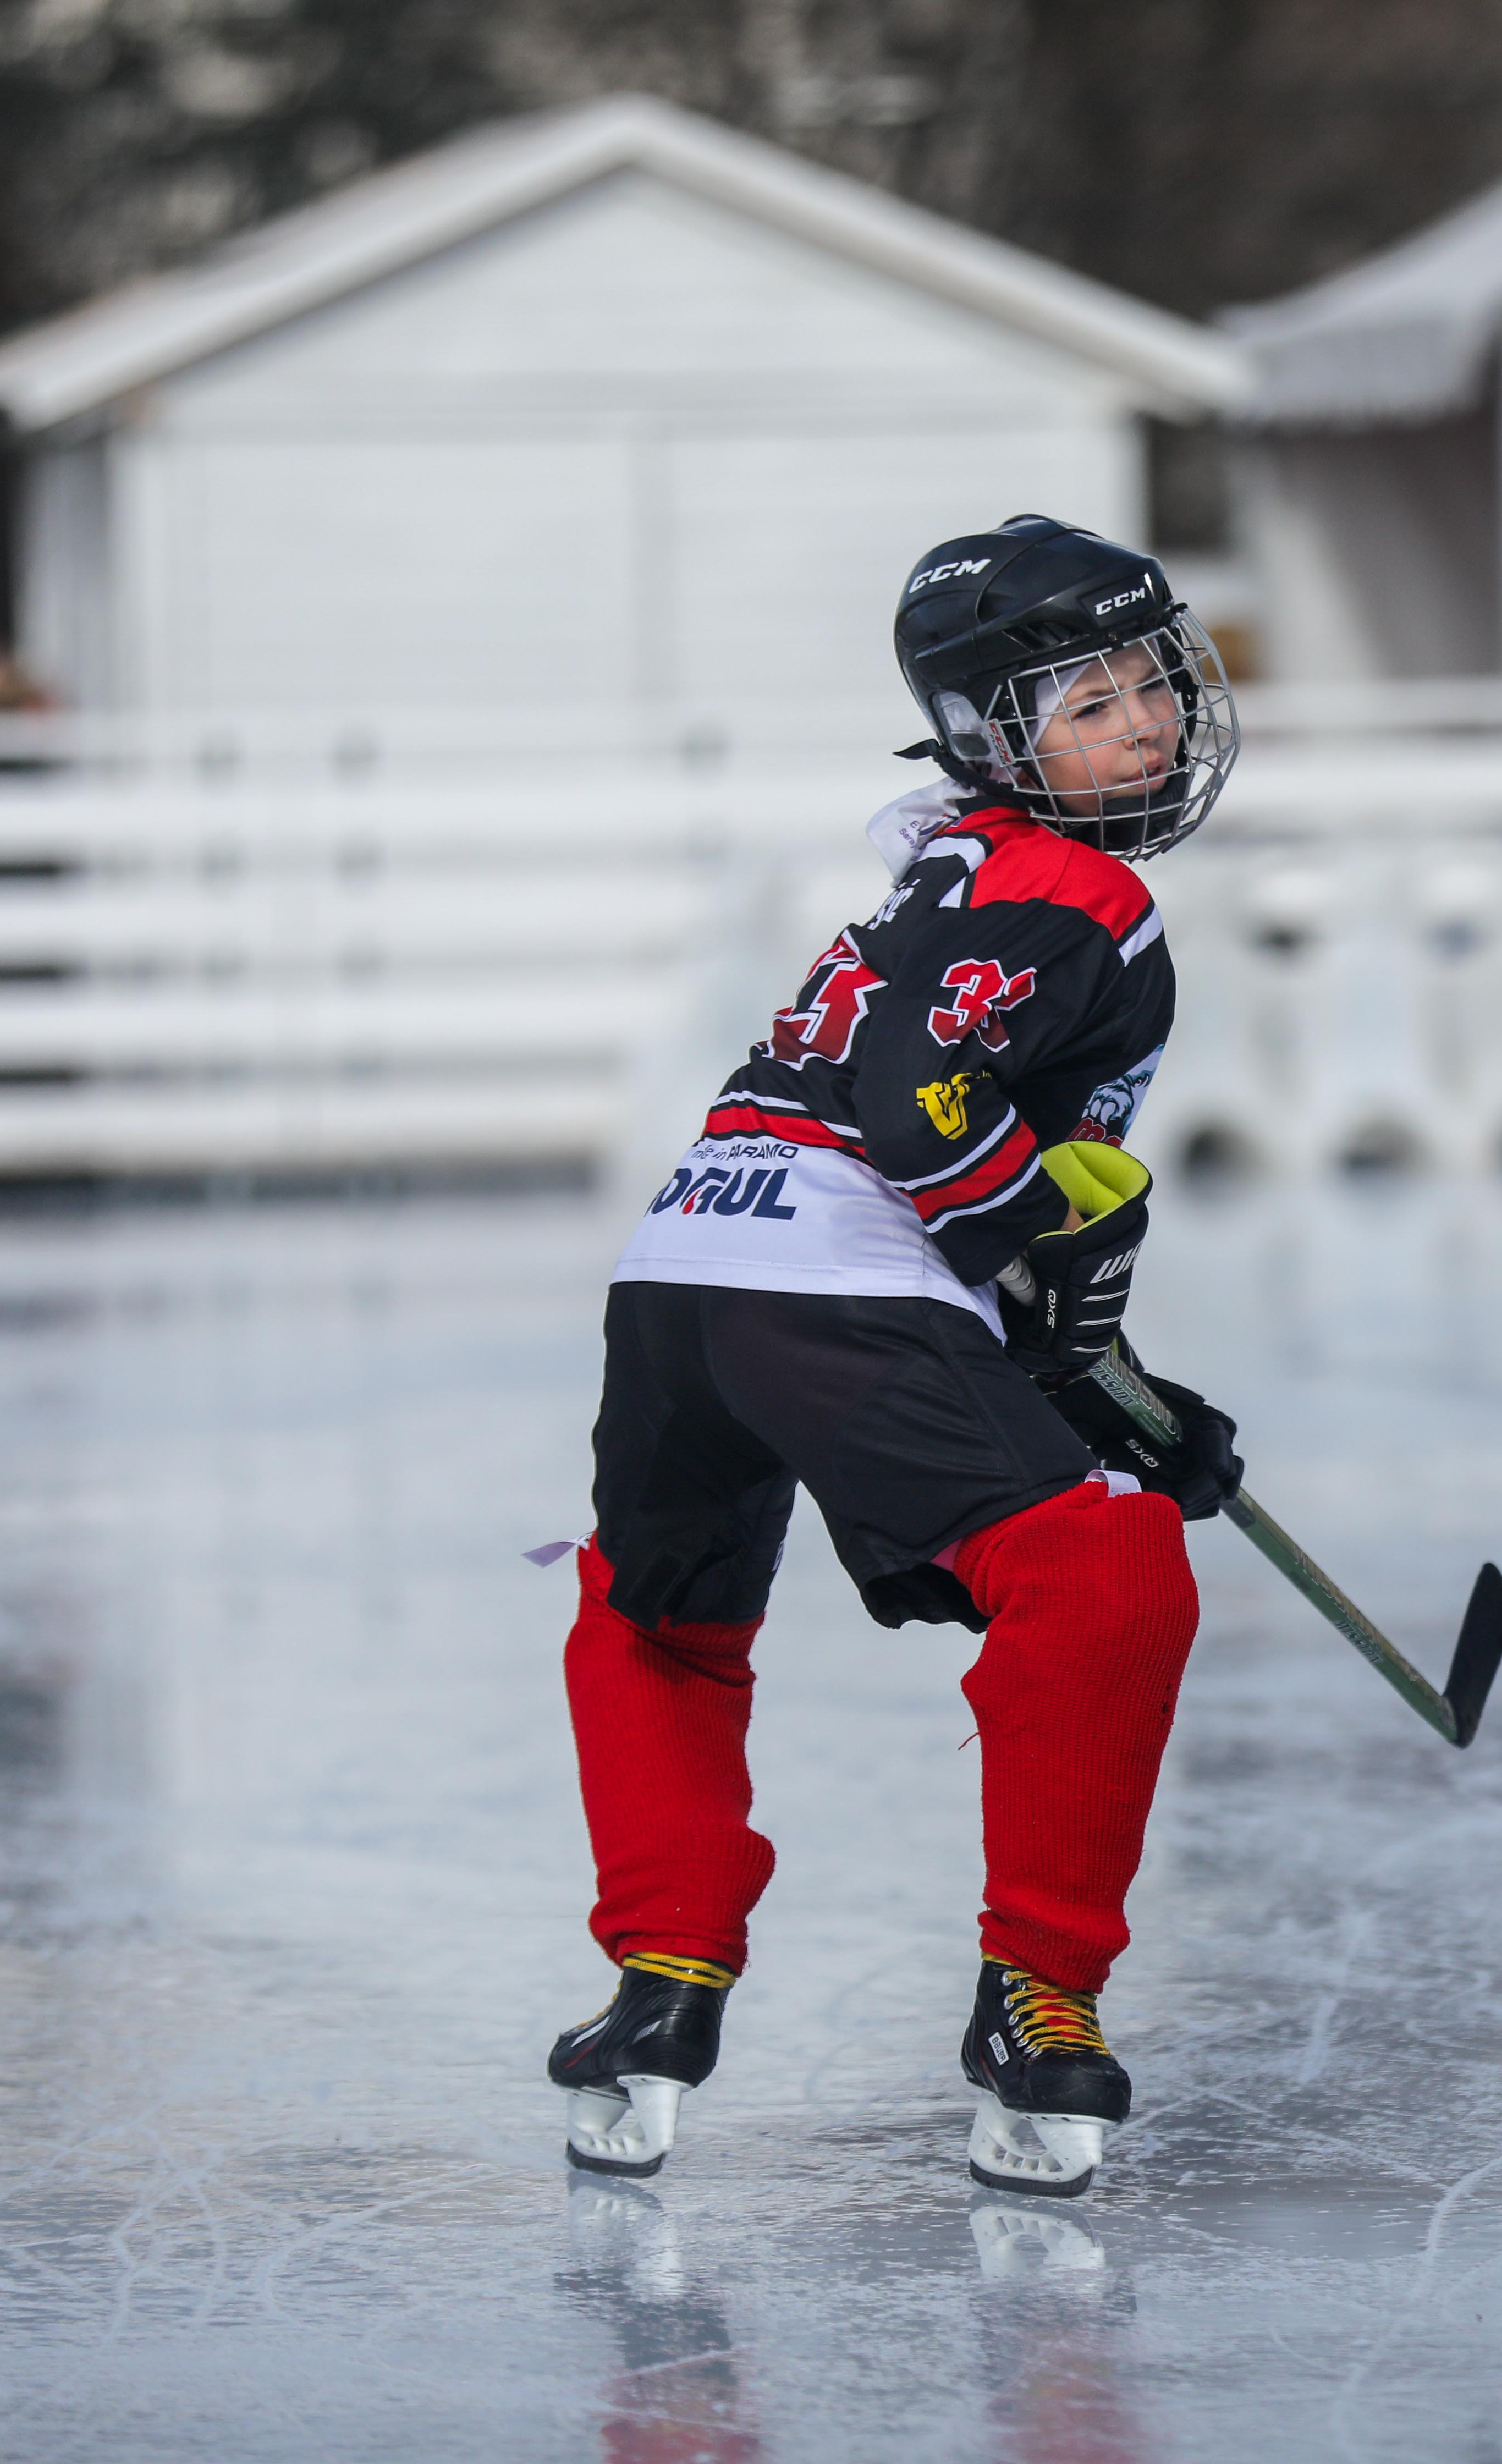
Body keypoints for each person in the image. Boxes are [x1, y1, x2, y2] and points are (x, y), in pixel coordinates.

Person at [544, 516, 1247, 2200]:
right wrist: (1053, 1254)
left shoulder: (949, 869)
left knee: (660, 1610)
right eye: (1086, 700)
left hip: (683, 1264)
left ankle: (660, 1987)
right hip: (831, 1279)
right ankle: (1039, 2000)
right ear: (992, 738)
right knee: (1103, 1575)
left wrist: (1115, 1387)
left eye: (1147, 680)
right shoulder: (1082, 890)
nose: (1144, 720)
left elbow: (943, 1173)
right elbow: (917, 1120)